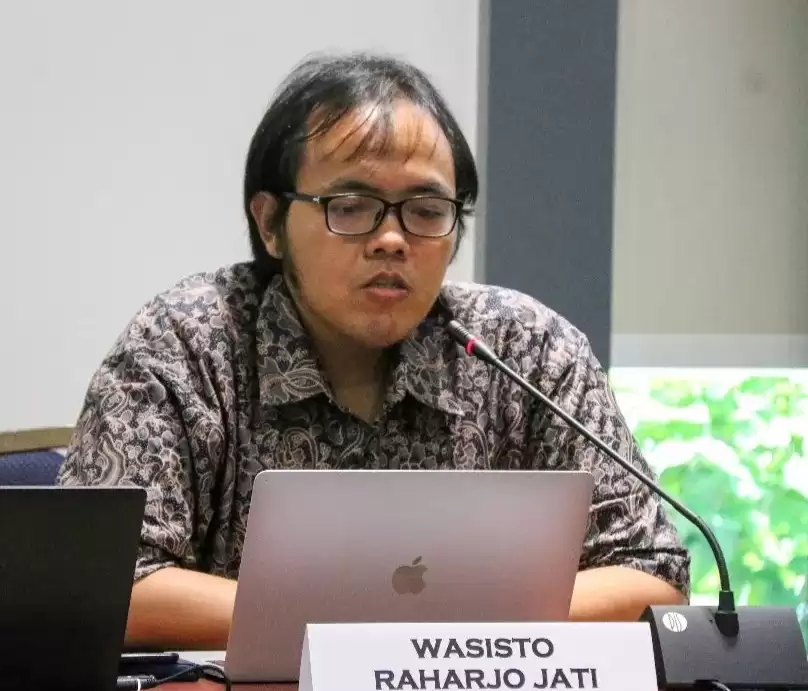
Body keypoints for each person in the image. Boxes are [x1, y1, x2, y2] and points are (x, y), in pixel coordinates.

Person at [57, 51, 689, 650]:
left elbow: (652, 576)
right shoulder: (186, 344)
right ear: (270, 223)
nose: (392, 239)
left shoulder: (527, 350)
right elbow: (98, 585)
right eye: (352, 207)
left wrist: (430, 633)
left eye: (426, 210)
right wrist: (390, 623)